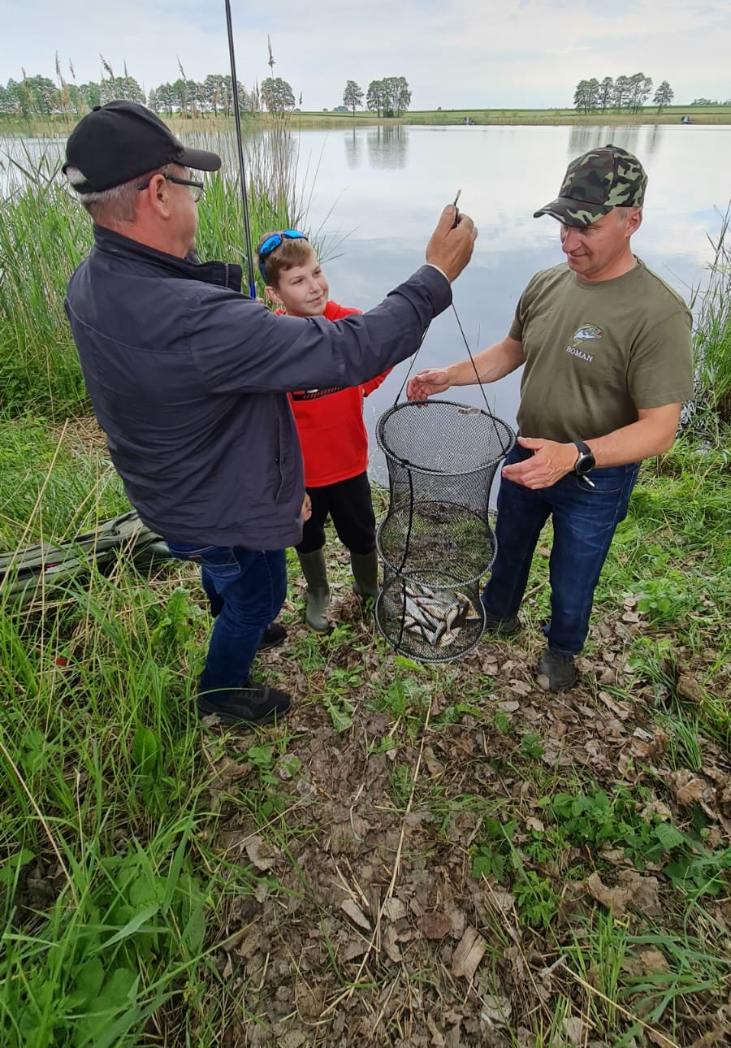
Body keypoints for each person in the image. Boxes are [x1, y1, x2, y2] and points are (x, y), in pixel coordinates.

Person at [62, 100, 477, 727]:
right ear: (159, 194)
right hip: (214, 502)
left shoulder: (92, 280)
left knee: (225, 574)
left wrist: (233, 315)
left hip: (167, 489)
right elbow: (351, 349)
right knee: (261, 592)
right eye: (190, 185)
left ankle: (237, 618)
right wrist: (435, 274)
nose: (194, 198)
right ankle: (222, 691)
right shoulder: (194, 319)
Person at [407, 145, 693, 692]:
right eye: (564, 223)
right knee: (508, 546)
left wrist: (577, 454)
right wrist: (451, 374)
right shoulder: (546, 282)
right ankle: (499, 614)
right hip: (528, 452)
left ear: (632, 221)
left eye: (587, 227)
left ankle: (562, 649)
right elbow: (511, 351)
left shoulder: (659, 313)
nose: (569, 241)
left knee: (573, 575)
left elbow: (660, 430)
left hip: (593, 475)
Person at [258, 230, 388, 632]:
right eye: (298, 280)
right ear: (274, 293)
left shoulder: (349, 321)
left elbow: (382, 352)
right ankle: (318, 590)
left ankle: (368, 587)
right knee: (307, 536)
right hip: (300, 473)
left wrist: (364, 385)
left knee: (361, 532)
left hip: (348, 462)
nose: (314, 286)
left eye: (316, 272)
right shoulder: (269, 338)